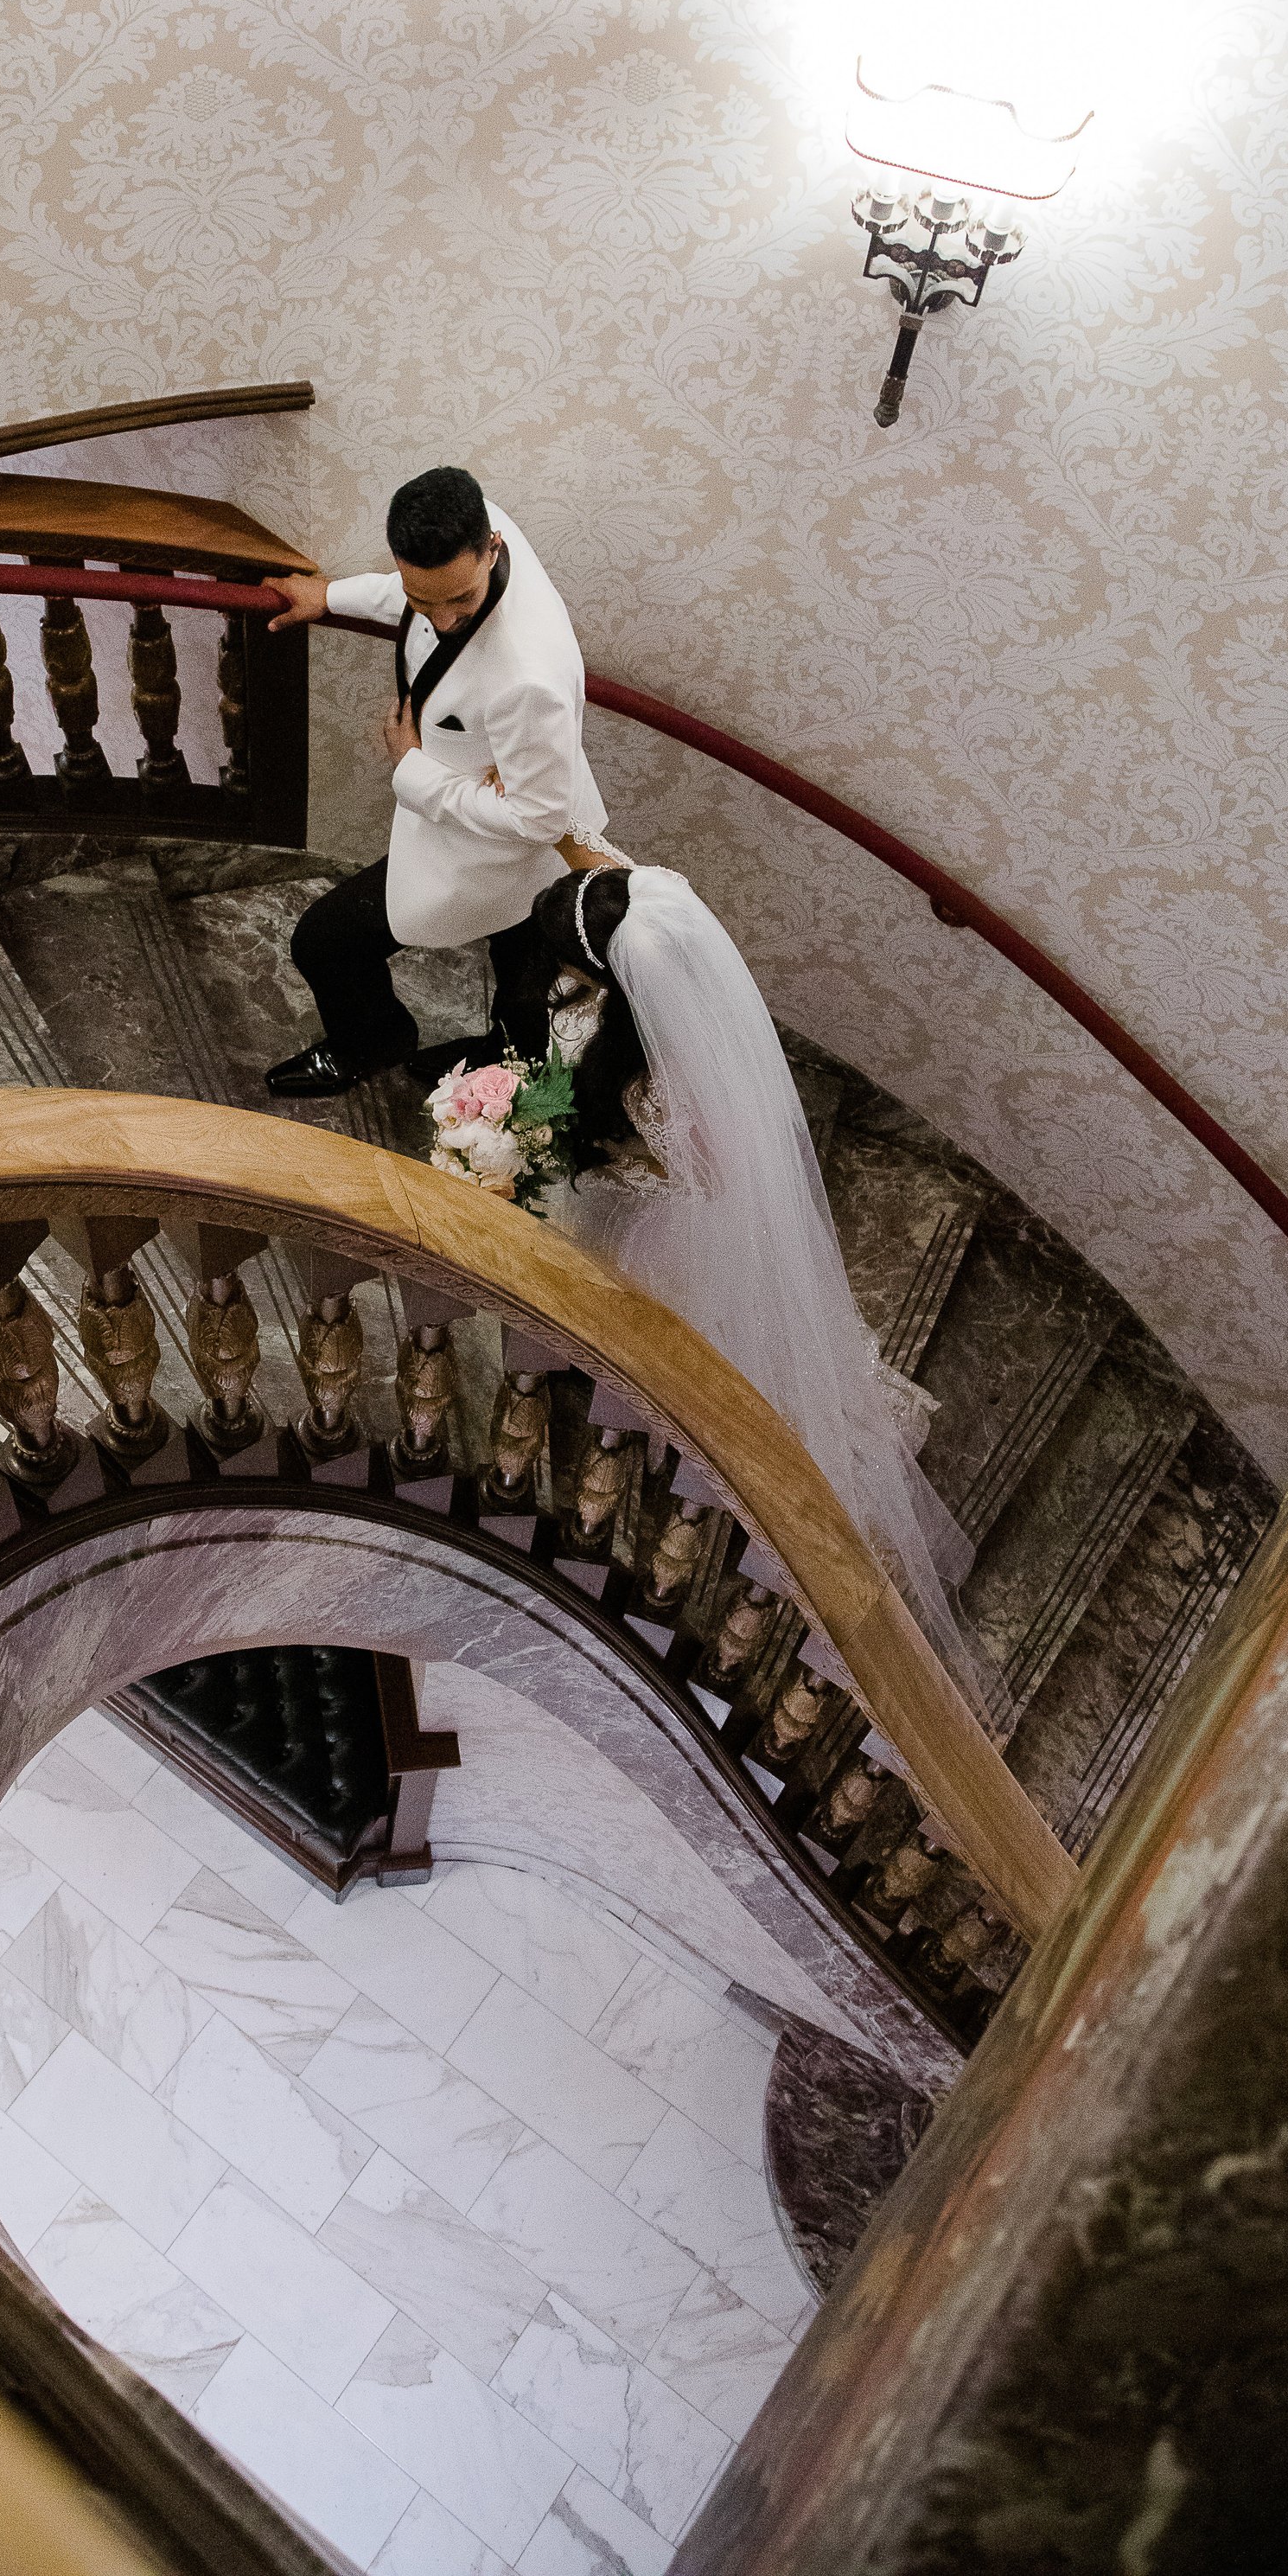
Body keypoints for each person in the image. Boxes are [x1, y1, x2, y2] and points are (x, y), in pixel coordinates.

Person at [527, 859, 1011, 1735]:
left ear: (609, 974)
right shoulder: (655, 1018)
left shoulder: (663, 1079)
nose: (559, 980)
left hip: (671, 1231)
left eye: (570, 966)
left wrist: (626, 1166)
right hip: (641, 1171)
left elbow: (710, 1179)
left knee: (675, 1358)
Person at [261, 466, 610, 1100]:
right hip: (493, 806)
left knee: (327, 940)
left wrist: (411, 769)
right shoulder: (477, 529)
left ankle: (385, 1044)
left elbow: (540, 821)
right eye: (426, 601)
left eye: (461, 602)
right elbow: (414, 597)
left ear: (492, 548)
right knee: (525, 972)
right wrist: (332, 597)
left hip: (500, 844)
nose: (444, 620)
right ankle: (483, 1051)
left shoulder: (526, 677)